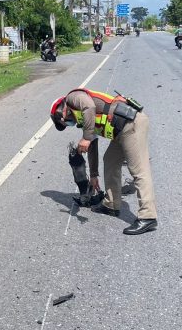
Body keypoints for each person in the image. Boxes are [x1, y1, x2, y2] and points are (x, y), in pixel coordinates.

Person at [50, 89, 158, 235]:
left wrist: (86, 138)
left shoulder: (73, 97)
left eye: (64, 122)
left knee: (139, 170)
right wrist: (93, 175)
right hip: (119, 131)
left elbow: (89, 106)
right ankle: (111, 204)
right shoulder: (83, 118)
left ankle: (148, 217)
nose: (69, 123)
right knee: (110, 161)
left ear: (60, 112)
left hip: (131, 124)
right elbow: (92, 145)